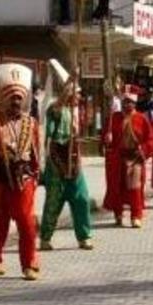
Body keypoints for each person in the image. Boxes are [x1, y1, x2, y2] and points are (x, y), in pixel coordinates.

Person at [0, 63, 43, 281]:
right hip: (0, 178)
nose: (16, 102)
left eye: (19, 98)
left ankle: (29, 263)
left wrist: (36, 174)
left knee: (27, 223)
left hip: (24, 179)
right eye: (12, 98)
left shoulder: (32, 123)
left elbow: (37, 151)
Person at [40, 74, 94, 251]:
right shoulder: (56, 108)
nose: (80, 97)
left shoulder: (76, 111)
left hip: (74, 161)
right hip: (57, 161)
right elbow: (56, 110)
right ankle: (45, 238)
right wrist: (69, 85)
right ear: (69, 94)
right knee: (54, 202)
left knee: (82, 199)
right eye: (77, 94)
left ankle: (84, 237)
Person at [104, 85, 153, 228]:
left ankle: (136, 216)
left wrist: (144, 150)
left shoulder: (142, 119)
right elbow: (105, 138)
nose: (127, 104)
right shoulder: (114, 118)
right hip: (118, 157)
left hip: (135, 158)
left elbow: (151, 139)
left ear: (134, 103)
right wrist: (106, 138)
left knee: (135, 188)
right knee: (117, 187)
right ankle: (118, 214)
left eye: (130, 102)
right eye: (125, 102)